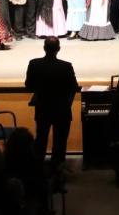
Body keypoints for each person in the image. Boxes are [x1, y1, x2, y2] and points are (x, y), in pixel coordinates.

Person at [24, 37, 80, 170]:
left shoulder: (34, 64)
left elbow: (29, 86)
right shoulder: (66, 66)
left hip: (43, 107)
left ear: (44, 48)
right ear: (59, 49)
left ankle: (38, 170)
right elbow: (74, 87)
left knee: (41, 139)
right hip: (62, 109)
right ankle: (57, 170)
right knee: (60, 142)